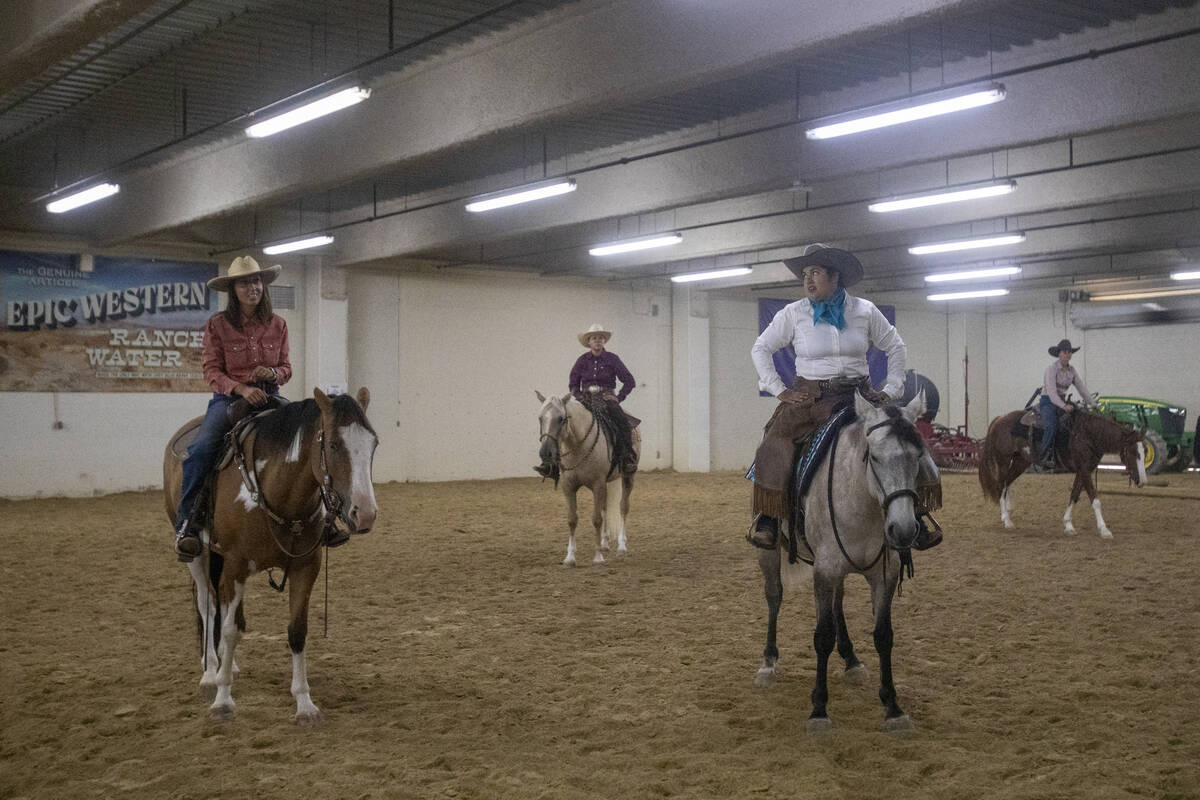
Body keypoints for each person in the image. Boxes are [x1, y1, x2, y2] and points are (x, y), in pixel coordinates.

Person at [748, 245, 939, 550]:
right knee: (775, 438)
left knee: (905, 438)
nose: (809, 280)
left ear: (835, 277)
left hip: (860, 396)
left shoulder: (864, 311)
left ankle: (917, 512)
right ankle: (769, 516)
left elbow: (896, 346)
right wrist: (778, 388)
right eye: (805, 274)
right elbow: (760, 348)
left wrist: (891, 389)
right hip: (811, 398)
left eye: (816, 273)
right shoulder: (793, 314)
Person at [173, 255, 292, 560]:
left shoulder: (278, 325)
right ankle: (187, 523)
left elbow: (286, 368)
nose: (252, 287)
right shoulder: (218, 325)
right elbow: (211, 371)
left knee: (305, 436)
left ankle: (321, 517)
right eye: (245, 282)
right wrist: (241, 388)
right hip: (228, 400)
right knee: (201, 451)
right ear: (233, 290)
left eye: (256, 281)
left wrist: (273, 374)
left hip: (270, 396)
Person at [557, 323, 639, 475]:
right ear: (589, 342)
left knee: (622, 423)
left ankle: (627, 458)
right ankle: (555, 462)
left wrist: (618, 398)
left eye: (600, 338)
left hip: (607, 400)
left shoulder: (613, 359)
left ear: (604, 341)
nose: (597, 341)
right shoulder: (581, 361)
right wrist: (580, 396)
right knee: (563, 422)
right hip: (585, 400)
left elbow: (630, 381)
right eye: (594, 338)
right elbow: (573, 385)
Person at [1036, 338, 1091, 471]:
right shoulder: (1051, 369)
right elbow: (1052, 392)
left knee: (1074, 423)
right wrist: (1064, 406)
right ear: (1059, 354)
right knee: (1051, 425)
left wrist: (1093, 404)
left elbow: (1081, 388)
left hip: (1061, 401)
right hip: (1048, 401)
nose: (1068, 354)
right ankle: (1042, 457)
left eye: (1069, 352)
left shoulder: (1072, 370)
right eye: (1065, 352)